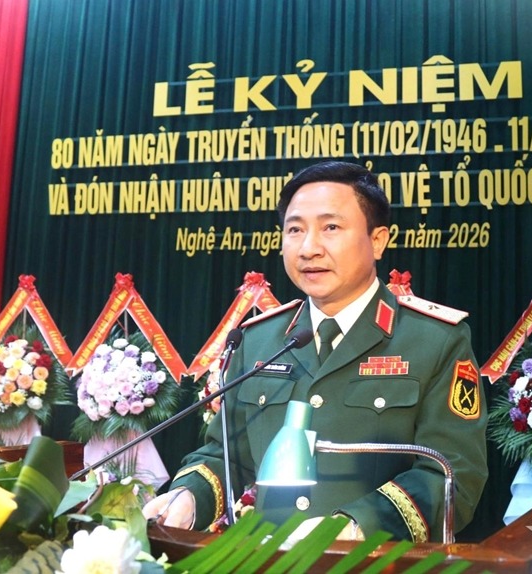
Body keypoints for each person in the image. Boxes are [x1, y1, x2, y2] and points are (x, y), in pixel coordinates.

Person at [143, 161, 488, 542]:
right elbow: (226, 454)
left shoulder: (433, 340)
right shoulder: (258, 340)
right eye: (295, 230)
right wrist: (189, 497)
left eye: (331, 228)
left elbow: (453, 473)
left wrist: (356, 527)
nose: (309, 248)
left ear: (378, 240)